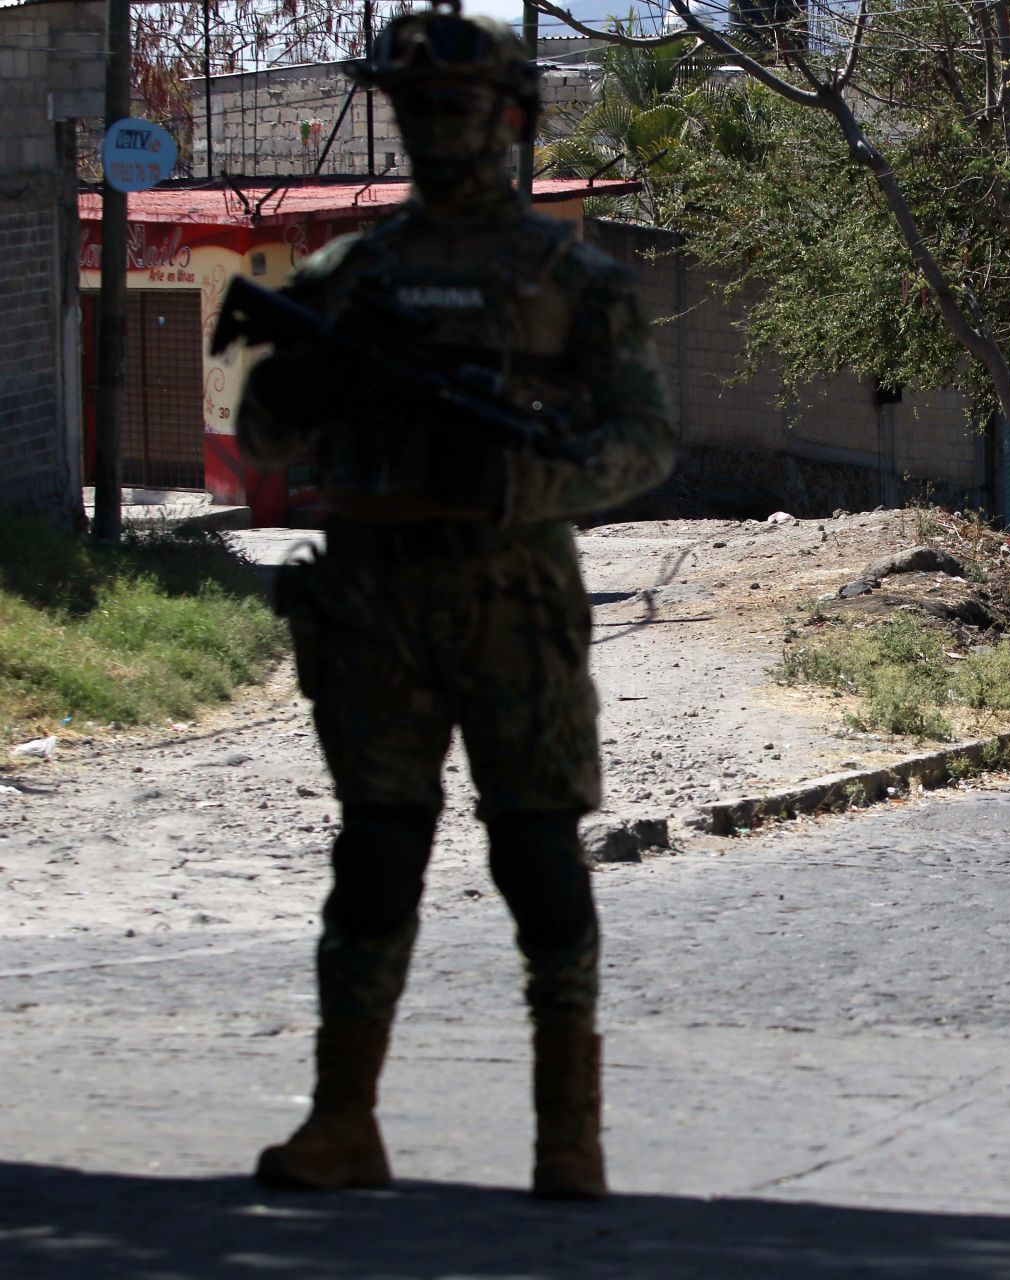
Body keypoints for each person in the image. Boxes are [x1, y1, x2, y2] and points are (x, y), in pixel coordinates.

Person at [234, 1, 675, 1201]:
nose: (441, 130)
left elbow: (646, 441)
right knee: (375, 853)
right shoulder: (345, 275)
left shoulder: (570, 276)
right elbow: (262, 434)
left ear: (514, 116)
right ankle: (342, 1118)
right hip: (374, 599)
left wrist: (538, 473)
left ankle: (568, 1135)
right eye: (417, 108)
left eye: (463, 107)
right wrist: (306, 372)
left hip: (514, 597)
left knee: (539, 855)